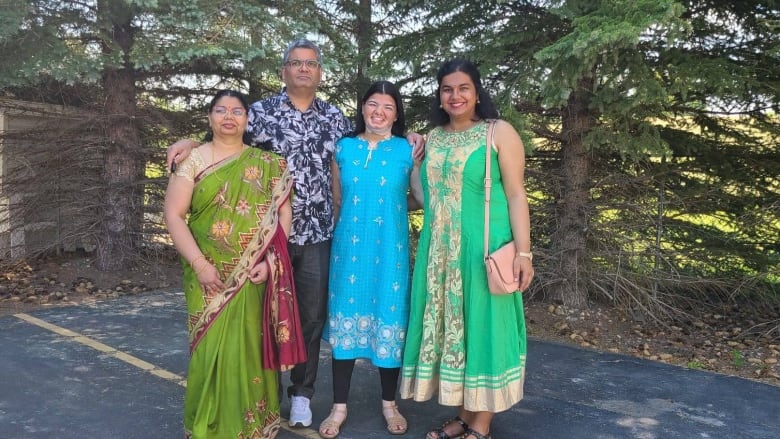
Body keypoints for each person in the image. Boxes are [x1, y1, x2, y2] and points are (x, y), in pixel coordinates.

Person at [166, 39, 425, 428]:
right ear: (283, 70)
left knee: (311, 319)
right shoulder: (259, 114)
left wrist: (413, 137)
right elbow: (223, 133)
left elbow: (374, 144)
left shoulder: (336, 120)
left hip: (321, 235)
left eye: (311, 63)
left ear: (320, 73)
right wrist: (186, 142)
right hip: (264, 238)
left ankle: (302, 395)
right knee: (260, 316)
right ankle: (256, 395)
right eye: (296, 63)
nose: (304, 69)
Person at [399, 59, 534, 439]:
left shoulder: (499, 132)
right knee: (452, 333)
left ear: (477, 93)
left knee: (483, 328)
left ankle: (482, 423)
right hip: (439, 253)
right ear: (439, 97)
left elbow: (515, 193)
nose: (455, 96)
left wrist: (523, 254)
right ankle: (463, 414)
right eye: (447, 89)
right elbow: (428, 196)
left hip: (483, 250)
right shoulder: (434, 137)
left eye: (463, 88)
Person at [164, 89, 305, 438]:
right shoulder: (192, 161)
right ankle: (208, 428)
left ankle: (253, 427)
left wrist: (272, 262)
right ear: (210, 117)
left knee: (251, 348)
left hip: (254, 274)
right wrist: (199, 264)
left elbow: (284, 213)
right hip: (207, 275)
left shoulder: (268, 163)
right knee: (211, 350)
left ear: (247, 119)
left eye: (237, 111)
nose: (229, 116)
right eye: (221, 110)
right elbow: (174, 215)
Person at [318, 81, 417, 438]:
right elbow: (338, 199)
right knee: (346, 325)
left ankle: (390, 404)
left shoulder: (408, 150)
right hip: (349, 248)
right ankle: (338, 406)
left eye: (388, 106)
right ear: (362, 108)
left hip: (390, 249)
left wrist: (388, 209)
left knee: (389, 319)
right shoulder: (343, 149)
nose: (379, 111)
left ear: (396, 113)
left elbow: (420, 196)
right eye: (373, 104)